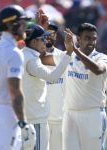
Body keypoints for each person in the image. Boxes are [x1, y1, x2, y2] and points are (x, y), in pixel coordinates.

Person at [41, 23, 107, 150]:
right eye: (87, 38)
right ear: (79, 39)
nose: (91, 42)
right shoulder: (67, 56)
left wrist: (75, 50)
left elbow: (98, 69)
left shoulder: (102, 57)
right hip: (70, 115)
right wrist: (42, 33)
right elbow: (41, 59)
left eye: (94, 38)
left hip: (93, 114)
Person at [22, 23, 73, 150]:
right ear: (34, 42)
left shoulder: (22, 54)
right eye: (43, 39)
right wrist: (69, 53)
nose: (45, 41)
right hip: (35, 120)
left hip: (25, 117)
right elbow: (53, 76)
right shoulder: (32, 59)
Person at [0, 5, 36, 150]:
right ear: (12, 25)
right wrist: (23, 122)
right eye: (23, 23)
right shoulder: (14, 52)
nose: (25, 27)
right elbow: (15, 92)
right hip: (6, 113)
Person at [45, 21, 65, 150]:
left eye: (52, 33)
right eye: (45, 32)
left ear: (56, 36)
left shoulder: (65, 56)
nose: (48, 36)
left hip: (60, 119)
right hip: (40, 118)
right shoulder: (30, 56)